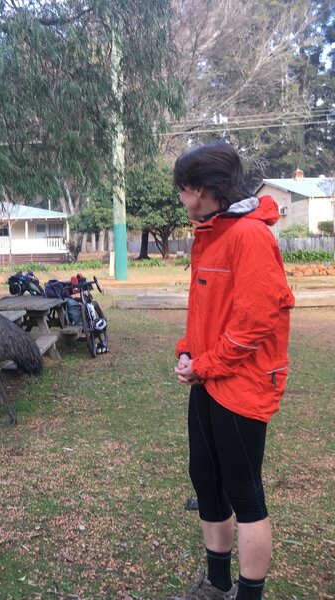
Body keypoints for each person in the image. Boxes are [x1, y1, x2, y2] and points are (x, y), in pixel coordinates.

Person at [172, 141, 294, 600]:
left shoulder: (249, 236)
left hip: (240, 385)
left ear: (201, 189)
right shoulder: (214, 233)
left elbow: (256, 321)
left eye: (183, 191)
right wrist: (188, 352)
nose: (182, 201)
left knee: (244, 493)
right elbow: (207, 311)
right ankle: (217, 584)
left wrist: (204, 366)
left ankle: (249, 594)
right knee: (205, 480)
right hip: (208, 380)